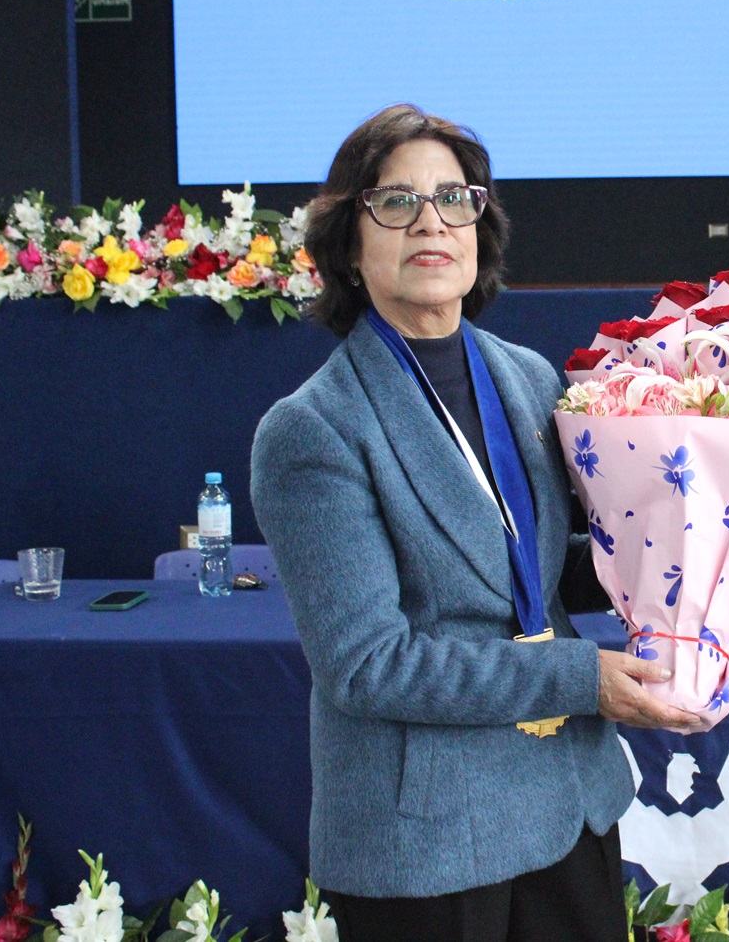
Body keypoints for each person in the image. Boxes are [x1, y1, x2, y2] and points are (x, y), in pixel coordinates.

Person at [250, 104, 698, 942]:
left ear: (479, 224)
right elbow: (368, 666)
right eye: (396, 202)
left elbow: (536, 563)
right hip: (426, 838)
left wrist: (684, 547)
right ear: (349, 242)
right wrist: (580, 677)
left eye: (455, 198)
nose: (431, 222)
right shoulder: (312, 429)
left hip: (569, 807)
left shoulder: (525, 377)